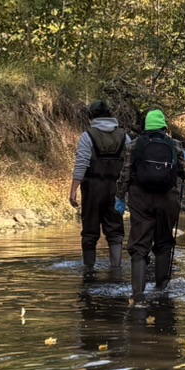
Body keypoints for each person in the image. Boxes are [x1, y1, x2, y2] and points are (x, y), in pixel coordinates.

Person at [118, 109, 185, 305]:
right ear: (164, 126)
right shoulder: (174, 145)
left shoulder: (134, 145)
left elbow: (125, 173)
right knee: (164, 243)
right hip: (167, 199)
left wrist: (119, 197)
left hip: (140, 199)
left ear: (145, 126)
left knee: (139, 246)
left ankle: (137, 294)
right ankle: (161, 290)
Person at [69, 99, 127, 279]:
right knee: (115, 231)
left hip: (93, 190)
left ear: (91, 117)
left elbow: (81, 164)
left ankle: (89, 271)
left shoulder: (88, 136)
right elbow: (129, 164)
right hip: (115, 191)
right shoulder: (124, 136)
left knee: (90, 231)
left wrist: (73, 190)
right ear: (110, 114)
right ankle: (116, 269)